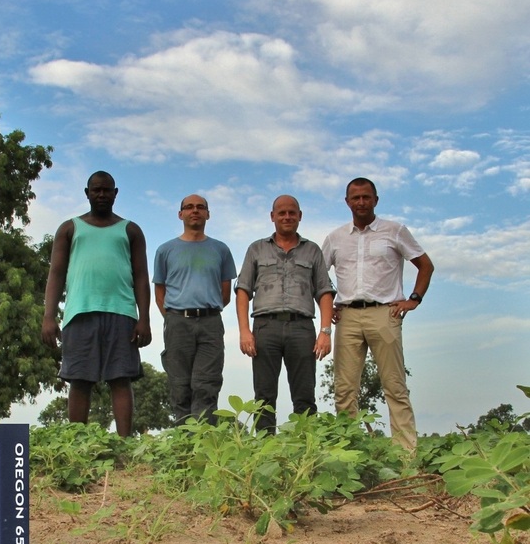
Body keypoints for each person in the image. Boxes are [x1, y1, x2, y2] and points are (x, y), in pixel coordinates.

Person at [322, 177, 434, 451]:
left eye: (366, 197)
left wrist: (414, 300)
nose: (361, 202)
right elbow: (317, 277)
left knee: (394, 386)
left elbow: (425, 265)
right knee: (345, 390)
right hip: (347, 316)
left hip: (385, 314)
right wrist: (327, 306)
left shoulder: (394, 231)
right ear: (347, 202)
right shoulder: (335, 238)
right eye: (355, 197)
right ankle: (349, 454)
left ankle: (406, 455)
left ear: (376, 200)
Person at [41, 171, 151, 437]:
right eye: (96, 190)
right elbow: (56, 272)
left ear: (115, 193)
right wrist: (49, 316)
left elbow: (141, 276)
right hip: (80, 312)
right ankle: (77, 444)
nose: (101, 195)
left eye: (106, 190)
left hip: (122, 312)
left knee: (121, 378)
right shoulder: (70, 228)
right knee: (79, 379)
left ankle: (125, 444)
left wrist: (144, 318)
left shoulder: (130, 230)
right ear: (87, 193)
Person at [235, 195, 335, 434]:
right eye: (281, 213)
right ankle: (264, 449)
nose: (287, 217)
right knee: (264, 395)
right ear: (272, 217)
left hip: (301, 329)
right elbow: (242, 291)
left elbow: (324, 291)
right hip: (264, 327)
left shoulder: (312, 251)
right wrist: (244, 331)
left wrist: (325, 332)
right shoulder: (256, 249)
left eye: (292, 213)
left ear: (300, 216)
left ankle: (304, 448)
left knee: (304, 393)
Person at [153, 194, 237, 425]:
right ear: (180, 214)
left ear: (208, 214)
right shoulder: (165, 250)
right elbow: (159, 290)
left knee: (206, 386)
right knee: (180, 386)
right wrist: (172, 316)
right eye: (189, 207)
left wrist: (204, 310)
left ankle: (205, 444)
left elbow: (226, 293)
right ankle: (184, 447)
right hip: (177, 323)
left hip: (210, 323)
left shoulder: (220, 249)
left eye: (201, 207)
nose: (195, 211)